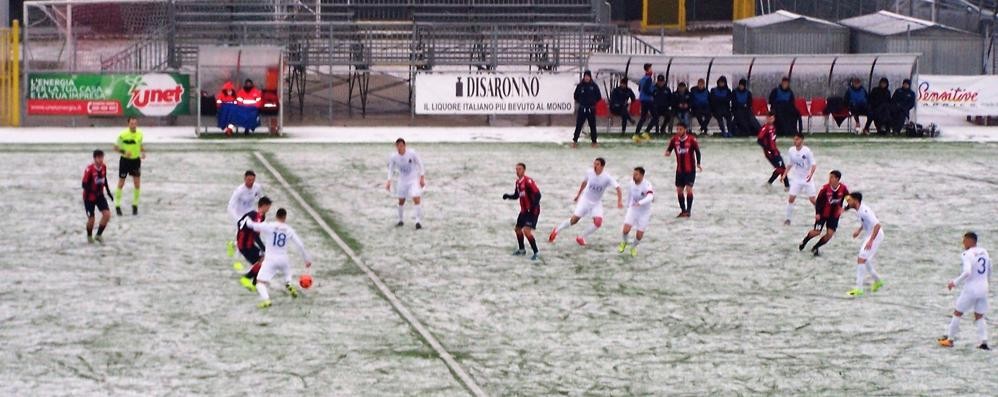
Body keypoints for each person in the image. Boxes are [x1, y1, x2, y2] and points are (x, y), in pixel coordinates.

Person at [245, 208, 312, 309]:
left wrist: (247, 219)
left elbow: (252, 225)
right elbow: (300, 245)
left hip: (270, 259)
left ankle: (266, 300)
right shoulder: (288, 229)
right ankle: (288, 283)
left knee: (260, 282)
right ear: (285, 217)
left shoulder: (269, 225)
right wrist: (306, 260)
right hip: (283, 259)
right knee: (287, 272)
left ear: (276, 216)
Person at [548, 157, 623, 246]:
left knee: (598, 223)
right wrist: (578, 195)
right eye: (594, 164)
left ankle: (581, 237)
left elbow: (618, 188)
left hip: (596, 203)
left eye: (597, 164)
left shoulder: (607, 178)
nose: (595, 166)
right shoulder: (589, 172)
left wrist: (619, 201)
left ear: (602, 166)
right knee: (574, 220)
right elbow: (584, 183)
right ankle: (556, 230)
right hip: (585, 200)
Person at [938, 232, 991, 350]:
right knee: (979, 316)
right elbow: (989, 268)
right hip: (983, 288)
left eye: (964, 240)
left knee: (957, 313)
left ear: (969, 241)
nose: (963, 243)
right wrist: (988, 283)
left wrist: (954, 283)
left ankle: (950, 340)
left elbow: (967, 272)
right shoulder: (984, 252)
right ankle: (984, 342)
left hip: (971, 289)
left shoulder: (967, 254)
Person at [799, 170, 849, 256]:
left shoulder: (843, 188)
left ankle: (816, 247)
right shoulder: (825, 188)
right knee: (816, 232)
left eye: (832, 177)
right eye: (829, 177)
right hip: (823, 214)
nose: (829, 179)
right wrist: (817, 213)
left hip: (834, 215)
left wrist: (845, 208)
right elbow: (818, 201)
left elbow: (849, 199)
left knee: (829, 234)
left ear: (837, 179)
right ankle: (804, 241)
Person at [844, 192, 885, 297]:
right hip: (870, 235)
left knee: (861, 258)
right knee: (864, 260)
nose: (848, 202)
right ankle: (878, 281)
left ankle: (859, 289)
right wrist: (859, 230)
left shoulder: (865, 211)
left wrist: (871, 241)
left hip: (875, 236)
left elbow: (877, 225)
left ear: (856, 201)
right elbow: (865, 222)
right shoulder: (858, 210)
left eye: (850, 200)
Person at [502, 163, 542, 261]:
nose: (517, 171)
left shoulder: (528, 181)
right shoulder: (518, 182)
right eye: (516, 169)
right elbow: (517, 195)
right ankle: (521, 250)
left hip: (532, 211)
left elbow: (538, 195)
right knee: (518, 229)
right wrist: (508, 196)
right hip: (524, 211)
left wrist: (533, 206)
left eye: (519, 169)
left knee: (526, 231)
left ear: (524, 170)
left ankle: (536, 252)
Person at [386, 138, 426, 230]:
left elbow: (420, 164)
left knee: (416, 197)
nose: (400, 148)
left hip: (413, 180)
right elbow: (391, 169)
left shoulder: (412, 153)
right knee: (401, 200)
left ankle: (417, 221)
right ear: (396, 147)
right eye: (398, 146)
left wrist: (422, 177)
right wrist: (388, 181)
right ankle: (400, 220)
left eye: (401, 145)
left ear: (404, 146)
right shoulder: (394, 157)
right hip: (402, 181)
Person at [665, 122, 702, 218]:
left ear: (685, 130)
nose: (678, 131)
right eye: (677, 129)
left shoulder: (691, 140)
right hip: (680, 170)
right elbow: (669, 148)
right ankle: (683, 210)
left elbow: (697, 152)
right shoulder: (674, 140)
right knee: (679, 191)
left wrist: (698, 163)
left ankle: (688, 211)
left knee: (689, 190)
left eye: (680, 129)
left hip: (690, 170)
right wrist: (668, 152)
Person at [235, 196, 272, 291]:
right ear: (263, 206)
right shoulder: (258, 217)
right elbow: (255, 236)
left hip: (246, 243)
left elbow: (239, 223)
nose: (269, 209)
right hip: (246, 245)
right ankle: (247, 279)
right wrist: (264, 249)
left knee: (261, 262)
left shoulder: (254, 214)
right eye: (268, 207)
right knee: (263, 261)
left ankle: (255, 283)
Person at [227, 170, 264, 257]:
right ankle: (237, 255)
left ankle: (234, 245)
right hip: (240, 215)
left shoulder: (257, 187)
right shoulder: (239, 191)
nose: (251, 182)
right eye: (249, 180)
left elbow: (262, 199)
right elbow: (230, 206)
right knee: (243, 236)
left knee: (253, 234)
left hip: (251, 214)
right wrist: (238, 219)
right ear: (244, 179)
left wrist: (261, 211)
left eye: (252, 180)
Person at [618, 166, 654, 257]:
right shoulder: (631, 184)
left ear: (642, 175)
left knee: (639, 235)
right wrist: (627, 206)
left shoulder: (647, 185)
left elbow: (650, 197)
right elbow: (630, 196)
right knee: (625, 230)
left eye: (636, 174)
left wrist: (640, 203)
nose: (634, 176)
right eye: (633, 174)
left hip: (644, 212)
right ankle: (624, 242)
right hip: (633, 209)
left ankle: (633, 247)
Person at [113, 117, 145, 216]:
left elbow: (140, 145)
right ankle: (117, 205)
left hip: (135, 161)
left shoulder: (140, 134)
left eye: (135, 123)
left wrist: (142, 152)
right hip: (125, 161)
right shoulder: (123, 135)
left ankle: (135, 205)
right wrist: (124, 152)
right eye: (131, 123)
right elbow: (115, 148)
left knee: (137, 184)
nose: (133, 125)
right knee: (121, 183)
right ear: (128, 124)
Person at [783, 132, 816, 225]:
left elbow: (813, 165)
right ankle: (788, 219)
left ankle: (821, 214)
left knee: (813, 200)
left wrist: (810, 174)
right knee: (791, 198)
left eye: (797, 139)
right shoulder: (791, 150)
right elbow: (790, 163)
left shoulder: (807, 151)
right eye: (794, 139)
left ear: (802, 140)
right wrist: (785, 174)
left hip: (807, 179)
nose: (795, 141)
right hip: (797, 179)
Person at [82, 149, 112, 243]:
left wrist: (108, 192)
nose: (101, 159)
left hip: (100, 196)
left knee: (107, 215)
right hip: (89, 198)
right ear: (94, 158)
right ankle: (89, 237)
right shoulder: (89, 169)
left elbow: (104, 179)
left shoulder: (104, 167)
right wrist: (92, 192)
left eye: (102, 157)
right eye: (98, 157)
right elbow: (84, 185)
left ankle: (98, 235)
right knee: (91, 219)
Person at [756, 113, 789, 189]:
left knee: (781, 168)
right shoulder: (765, 128)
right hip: (771, 153)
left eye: (773, 118)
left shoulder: (773, 127)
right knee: (781, 168)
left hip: (775, 151)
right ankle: (787, 186)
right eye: (770, 118)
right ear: (767, 118)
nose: (771, 120)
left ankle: (770, 184)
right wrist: (767, 149)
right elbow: (759, 140)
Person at [572, 70, 602, 148]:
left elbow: (599, 96)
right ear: (584, 77)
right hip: (582, 108)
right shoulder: (580, 86)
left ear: (590, 77)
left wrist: (593, 102)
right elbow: (575, 96)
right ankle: (575, 141)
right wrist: (582, 102)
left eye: (588, 76)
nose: (587, 78)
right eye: (585, 76)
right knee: (579, 125)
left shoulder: (594, 86)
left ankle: (594, 142)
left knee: (592, 126)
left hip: (591, 109)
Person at [633, 64, 656, 142]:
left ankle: (636, 134)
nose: (652, 70)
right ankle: (646, 132)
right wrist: (652, 94)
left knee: (643, 117)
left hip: (643, 99)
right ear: (648, 69)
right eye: (651, 68)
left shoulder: (643, 78)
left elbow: (640, 89)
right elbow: (646, 89)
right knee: (655, 116)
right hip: (648, 100)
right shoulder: (648, 79)